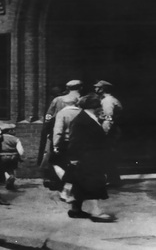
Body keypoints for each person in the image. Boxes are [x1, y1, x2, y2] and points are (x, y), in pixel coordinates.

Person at [66, 93, 113, 222]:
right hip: (87, 157)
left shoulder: (89, 117)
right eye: (100, 105)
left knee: (80, 184)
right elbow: (75, 140)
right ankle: (95, 212)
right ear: (94, 106)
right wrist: (74, 157)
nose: (102, 108)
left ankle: (76, 210)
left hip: (89, 156)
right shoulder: (82, 120)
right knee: (94, 183)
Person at [41, 80, 82, 189]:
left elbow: (48, 116)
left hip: (58, 132)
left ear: (67, 88)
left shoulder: (58, 99)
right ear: (81, 87)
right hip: (77, 136)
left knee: (55, 158)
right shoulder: (82, 100)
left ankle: (57, 182)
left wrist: (48, 129)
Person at [94, 80, 123, 187]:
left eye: (97, 87)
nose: (95, 89)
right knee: (107, 155)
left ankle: (113, 180)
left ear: (103, 89)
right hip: (112, 130)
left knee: (107, 155)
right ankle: (112, 179)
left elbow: (108, 119)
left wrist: (103, 133)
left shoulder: (108, 101)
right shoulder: (107, 99)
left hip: (110, 131)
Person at [52, 102, 81, 202]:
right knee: (73, 166)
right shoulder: (81, 112)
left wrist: (55, 145)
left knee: (55, 162)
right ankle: (68, 188)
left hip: (65, 142)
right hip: (79, 142)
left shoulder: (62, 113)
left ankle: (65, 187)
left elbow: (58, 131)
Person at [0, 122, 24, 190]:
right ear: (9, 131)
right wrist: (20, 156)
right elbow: (21, 151)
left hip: (2, 156)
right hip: (13, 156)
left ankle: (8, 177)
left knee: (3, 169)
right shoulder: (15, 139)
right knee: (11, 169)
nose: (14, 131)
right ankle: (11, 182)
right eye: (13, 130)